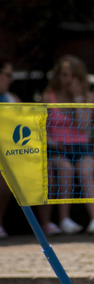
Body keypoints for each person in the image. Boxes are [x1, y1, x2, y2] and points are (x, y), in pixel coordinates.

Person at [40, 54, 94, 235]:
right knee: (65, 169)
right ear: (58, 76)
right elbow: (41, 129)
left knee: (85, 171)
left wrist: (78, 100)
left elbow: (84, 127)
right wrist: (54, 143)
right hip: (56, 149)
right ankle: (64, 219)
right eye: (65, 75)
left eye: (74, 76)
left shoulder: (87, 96)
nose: (69, 80)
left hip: (82, 148)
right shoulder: (48, 97)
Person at [0, 58, 21, 238]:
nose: (11, 79)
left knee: (6, 179)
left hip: (7, 156)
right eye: (7, 75)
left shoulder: (12, 99)